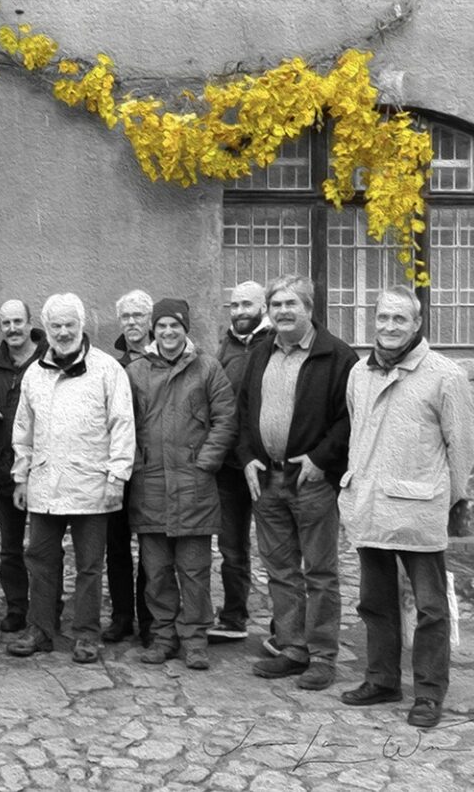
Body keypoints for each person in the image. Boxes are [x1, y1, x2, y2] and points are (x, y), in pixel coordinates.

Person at [339, 287, 474, 728]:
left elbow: (464, 446)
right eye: (383, 318)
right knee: (374, 603)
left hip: (420, 506)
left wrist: (449, 498)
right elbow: (357, 433)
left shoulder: (445, 376)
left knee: (430, 607)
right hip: (371, 505)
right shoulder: (360, 372)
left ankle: (430, 693)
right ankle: (382, 680)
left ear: (417, 324)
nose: (390, 327)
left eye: (400, 319)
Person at [237, 275, 357, 691]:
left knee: (320, 572)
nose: (283, 311)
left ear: (309, 308)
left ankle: (323, 655)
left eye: (291, 304)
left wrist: (321, 459)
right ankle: (292, 649)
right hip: (267, 479)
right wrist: (248, 456)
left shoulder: (337, 357)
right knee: (281, 571)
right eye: (276, 305)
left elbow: (349, 418)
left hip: (312, 481)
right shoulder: (260, 353)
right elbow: (243, 410)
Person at [6, 294, 136, 664]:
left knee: (90, 565)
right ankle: (42, 629)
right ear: (46, 329)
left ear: (82, 326)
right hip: (45, 484)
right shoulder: (34, 373)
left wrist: (117, 478)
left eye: (70, 325)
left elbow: (122, 426)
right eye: (56, 326)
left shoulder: (107, 370)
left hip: (91, 485)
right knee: (40, 559)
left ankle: (86, 635)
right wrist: (21, 477)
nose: (63, 333)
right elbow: (23, 430)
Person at [127, 299, 236, 670]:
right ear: (153, 330)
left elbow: (225, 420)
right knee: (156, 571)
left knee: (194, 571)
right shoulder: (137, 371)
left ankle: (195, 640)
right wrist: (136, 464)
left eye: (175, 326)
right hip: (151, 486)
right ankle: (163, 637)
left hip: (194, 487)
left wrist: (204, 464)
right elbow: (125, 422)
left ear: (185, 328)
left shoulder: (207, 368)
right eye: (162, 326)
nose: (169, 333)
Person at [0, 299, 48, 633]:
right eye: (6, 323)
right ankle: (17, 607)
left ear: (29, 322)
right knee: (10, 546)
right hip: (5, 465)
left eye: (18, 321)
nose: (12, 329)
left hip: (46, 466)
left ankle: (48, 607)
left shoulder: (48, 357)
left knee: (45, 546)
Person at [209, 280, 270, 643]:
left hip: (267, 464)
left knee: (278, 551)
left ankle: (287, 628)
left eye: (247, 304)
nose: (239, 311)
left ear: (262, 307)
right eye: (233, 305)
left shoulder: (275, 344)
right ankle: (233, 617)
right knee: (231, 548)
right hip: (230, 467)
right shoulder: (226, 346)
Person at [104, 289, 155, 647]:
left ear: (150, 320)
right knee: (116, 545)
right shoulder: (114, 364)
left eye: (138, 316)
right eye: (126, 317)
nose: (132, 323)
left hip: (153, 467)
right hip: (120, 465)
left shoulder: (166, 356)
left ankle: (151, 618)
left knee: (152, 547)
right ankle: (122, 615)